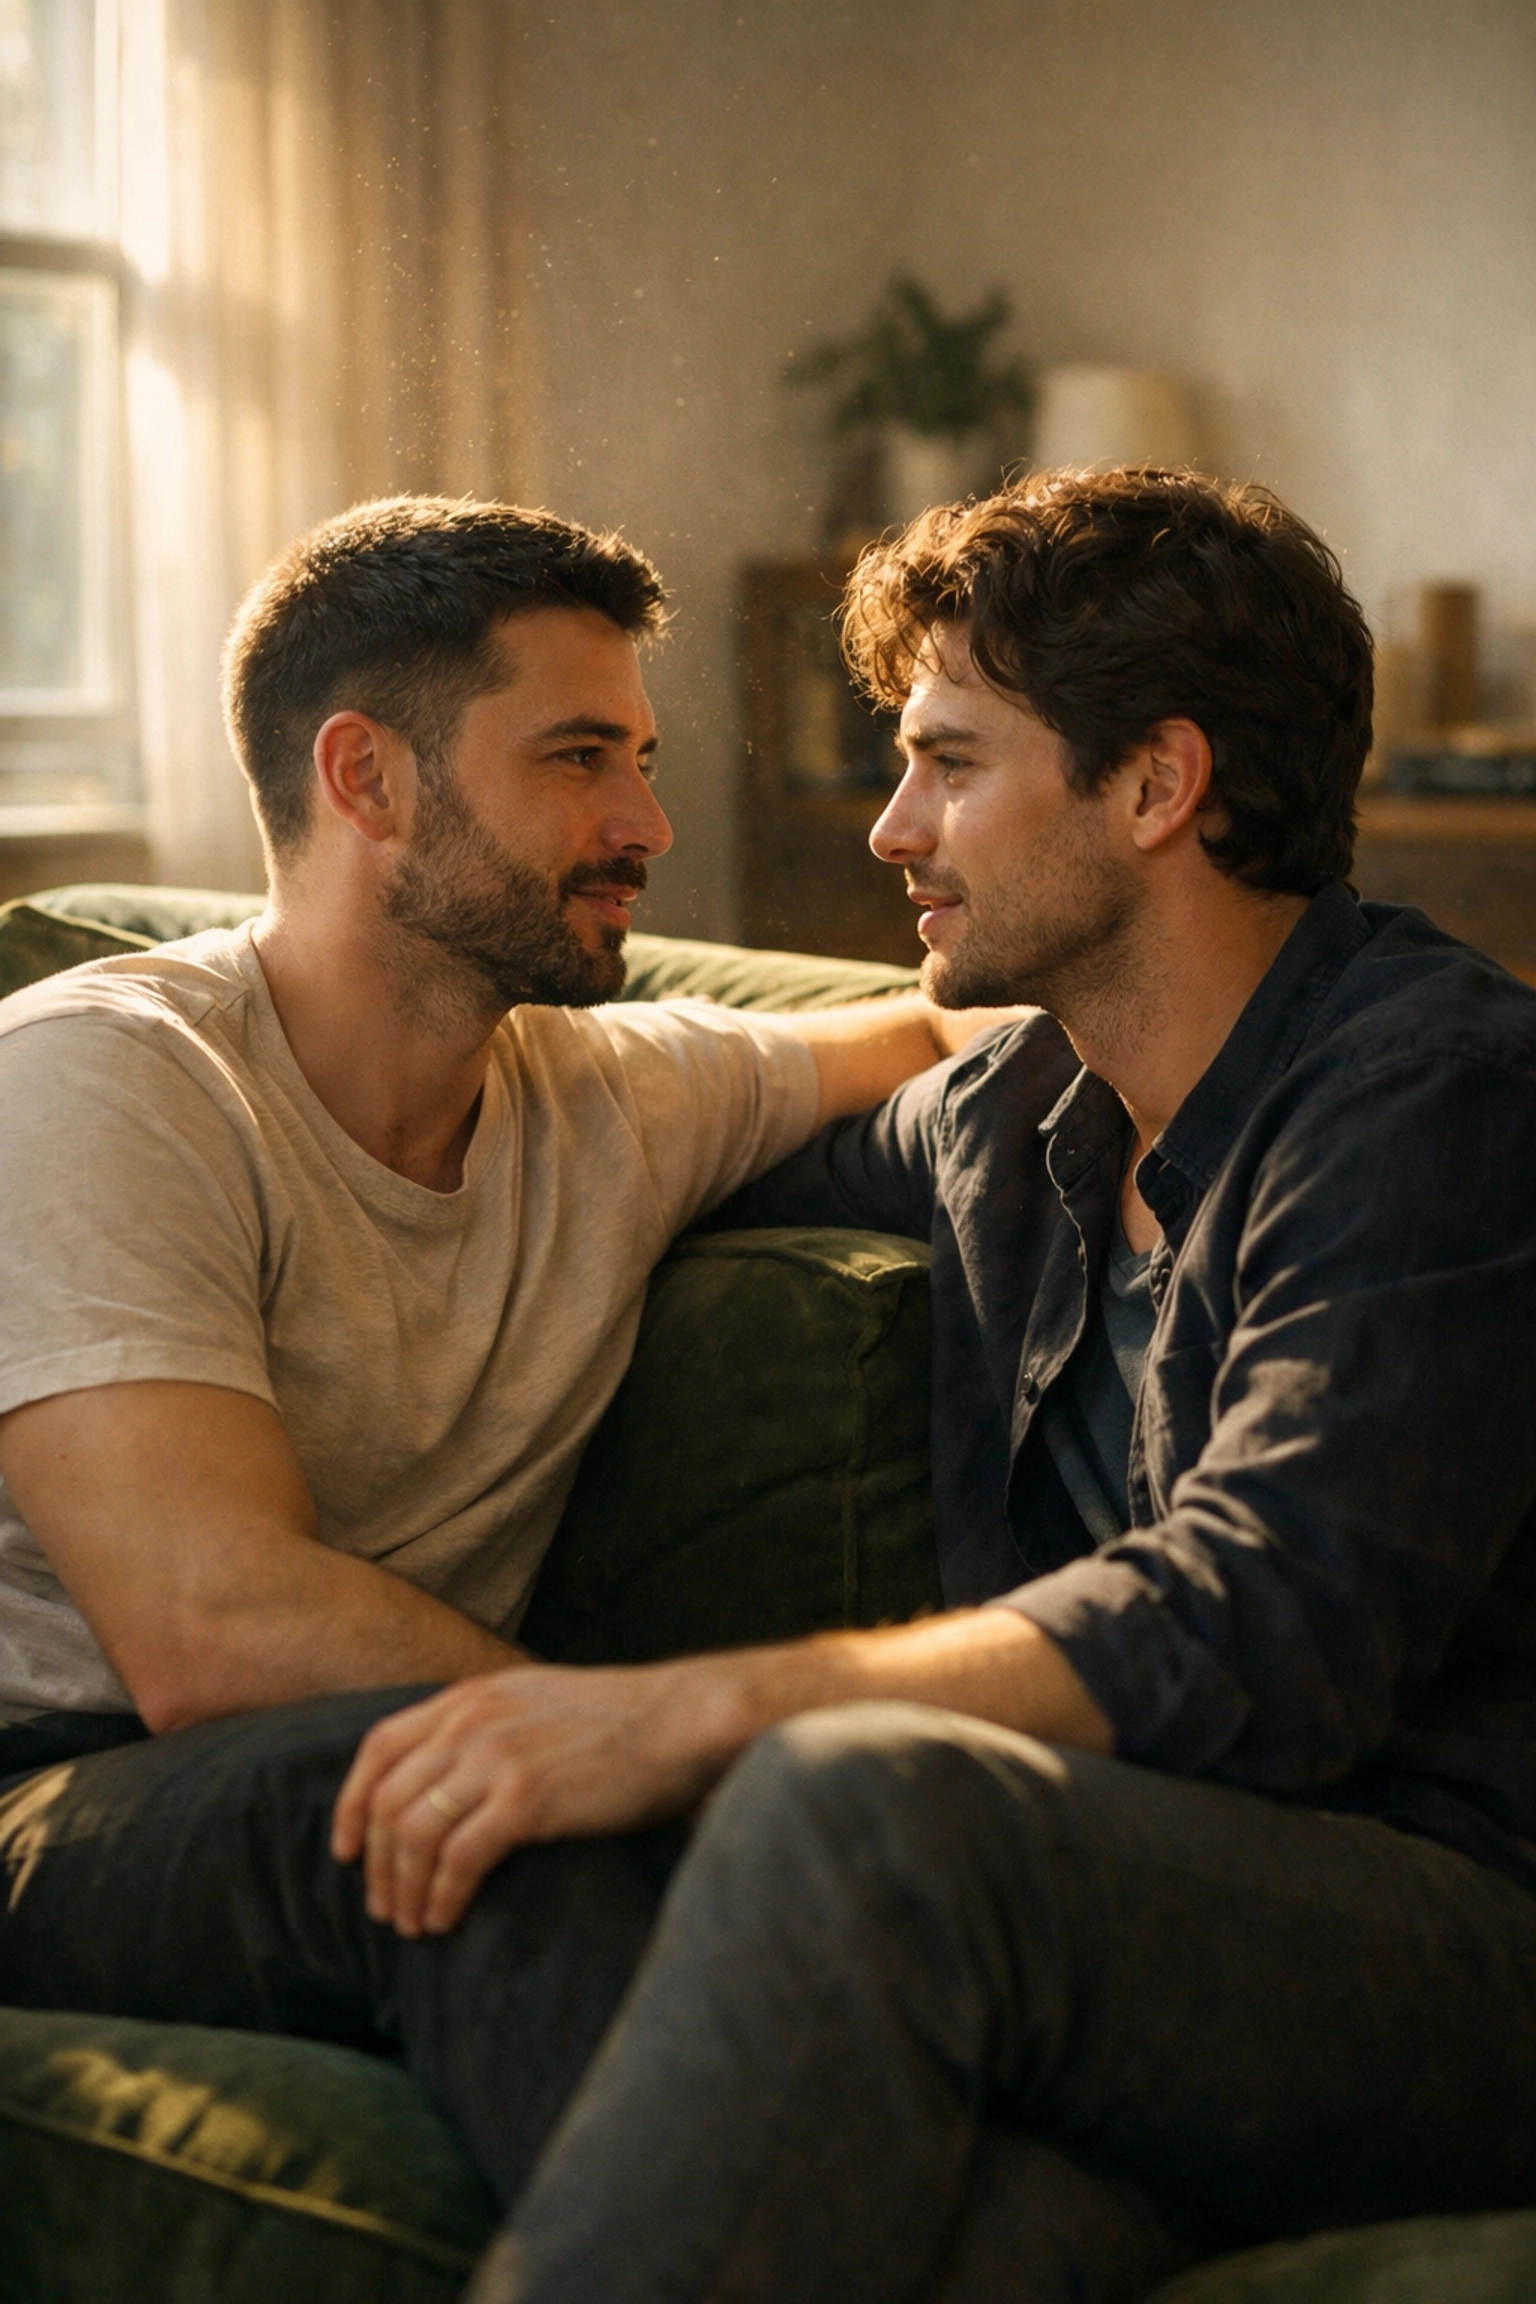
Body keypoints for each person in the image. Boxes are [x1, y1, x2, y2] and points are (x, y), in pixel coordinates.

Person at [330, 468, 1536, 2303]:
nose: (893, 829)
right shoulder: (1012, 1110)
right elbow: (642, 1146)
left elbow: (1269, 1616)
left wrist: (669, 1717)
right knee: (960, 2247)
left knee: (859, 1802)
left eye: (952, 763)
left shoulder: (1435, 1099)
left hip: (1452, 1932)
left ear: (1157, 785)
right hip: (1123, 1940)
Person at [0, 496, 997, 2136]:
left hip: (397, 1749)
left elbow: (951, 1035)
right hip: (59, 1782)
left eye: (644, 762)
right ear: (365, 779)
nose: (648, 826)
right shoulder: (113, 1078)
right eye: (578, 758)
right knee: (501, 1822)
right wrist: (619, 1744)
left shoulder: (611, 1091)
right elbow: (213, 1630)